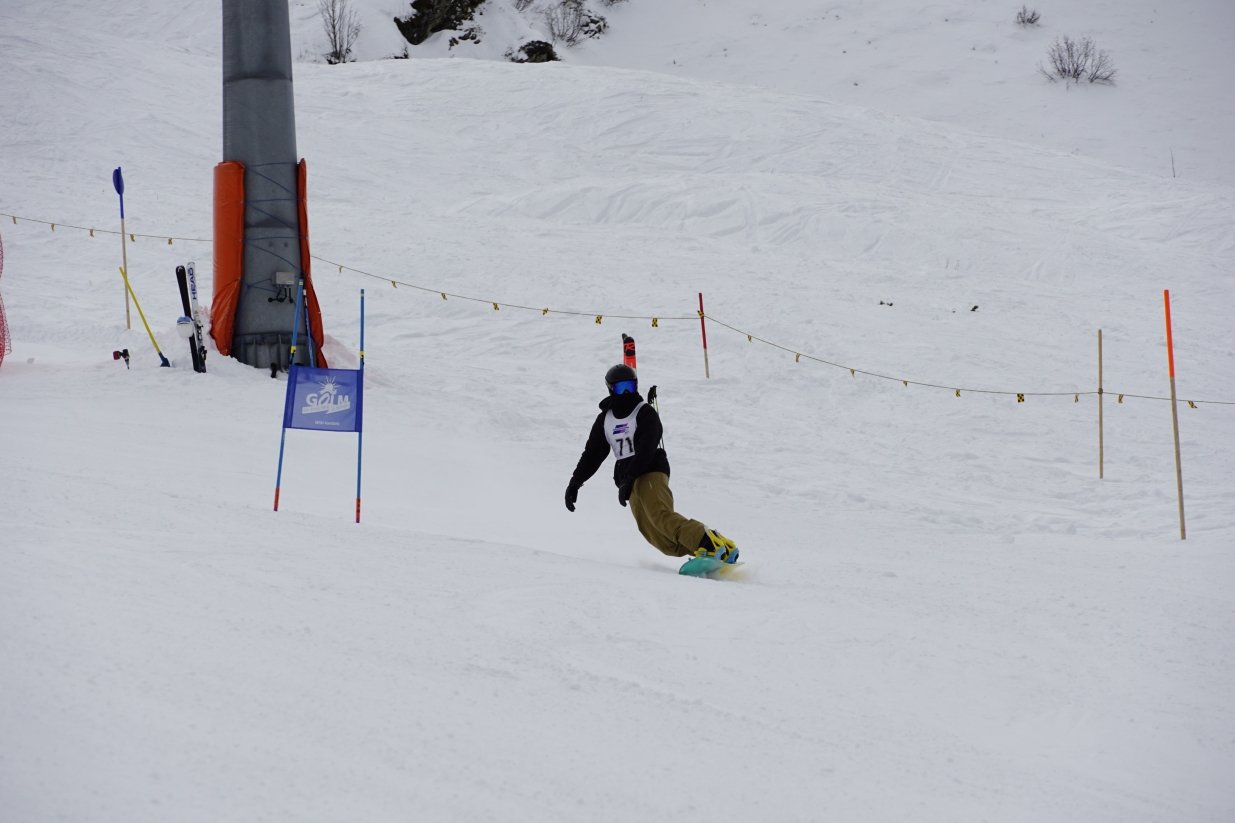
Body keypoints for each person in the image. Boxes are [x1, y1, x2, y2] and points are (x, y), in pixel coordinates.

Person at [564, 364, 739, 564]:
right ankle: (718, 549)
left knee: (660, 516)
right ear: (611, 389)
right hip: (629, 481)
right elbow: (592, 454)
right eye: (621, 388)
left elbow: (646, 448)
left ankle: (707, 544)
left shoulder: (644, 412)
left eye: (630, 386)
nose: (627, 392)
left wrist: (629, 478)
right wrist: (575, 482)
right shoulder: (605, 420)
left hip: (650, 470)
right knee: (659, 538)